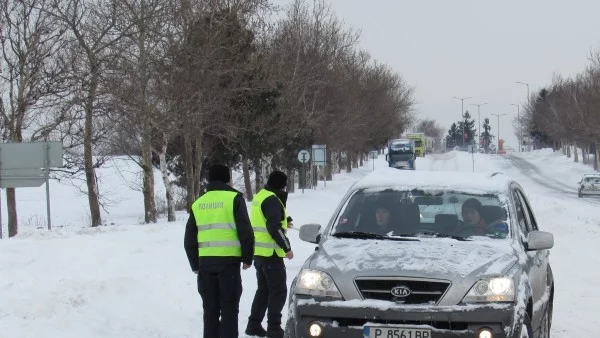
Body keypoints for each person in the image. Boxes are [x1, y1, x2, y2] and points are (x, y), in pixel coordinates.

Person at [184, 164, 254, 338]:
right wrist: (247, 257)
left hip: (205, 265)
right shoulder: (234, 198)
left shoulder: (199, 203)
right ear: (227, 179)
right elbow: (245, 231)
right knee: (229, 309)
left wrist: (195, 263)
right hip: (228, 265)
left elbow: (189, 238)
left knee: (210, 312)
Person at [245, 170, 294, 338]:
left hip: (259, 253)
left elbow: (267, 217)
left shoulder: (261, 196)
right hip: (271, 254)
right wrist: (287, 247)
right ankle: (274, 327)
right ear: (281, 185)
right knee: (278, 291)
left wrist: (287, 219)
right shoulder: (272, 200)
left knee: (264, 291)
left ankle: (253, 325)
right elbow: (273, 226)